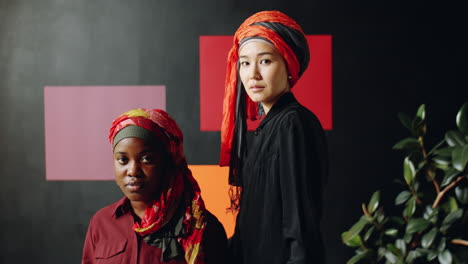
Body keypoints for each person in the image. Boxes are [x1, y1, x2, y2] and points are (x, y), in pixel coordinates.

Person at [220, 11, 328, 263]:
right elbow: (251, 230)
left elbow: (299, 225)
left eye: (265, 61)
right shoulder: (265, 128)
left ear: (289, 65)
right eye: (245, 63)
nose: (252, 75)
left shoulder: (293, 124)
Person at [83, 108, 227, 264]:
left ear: (169, 161)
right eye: (123, 160)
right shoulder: (101, 222)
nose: (133, 171)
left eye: (147, 159)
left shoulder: (203, 227)